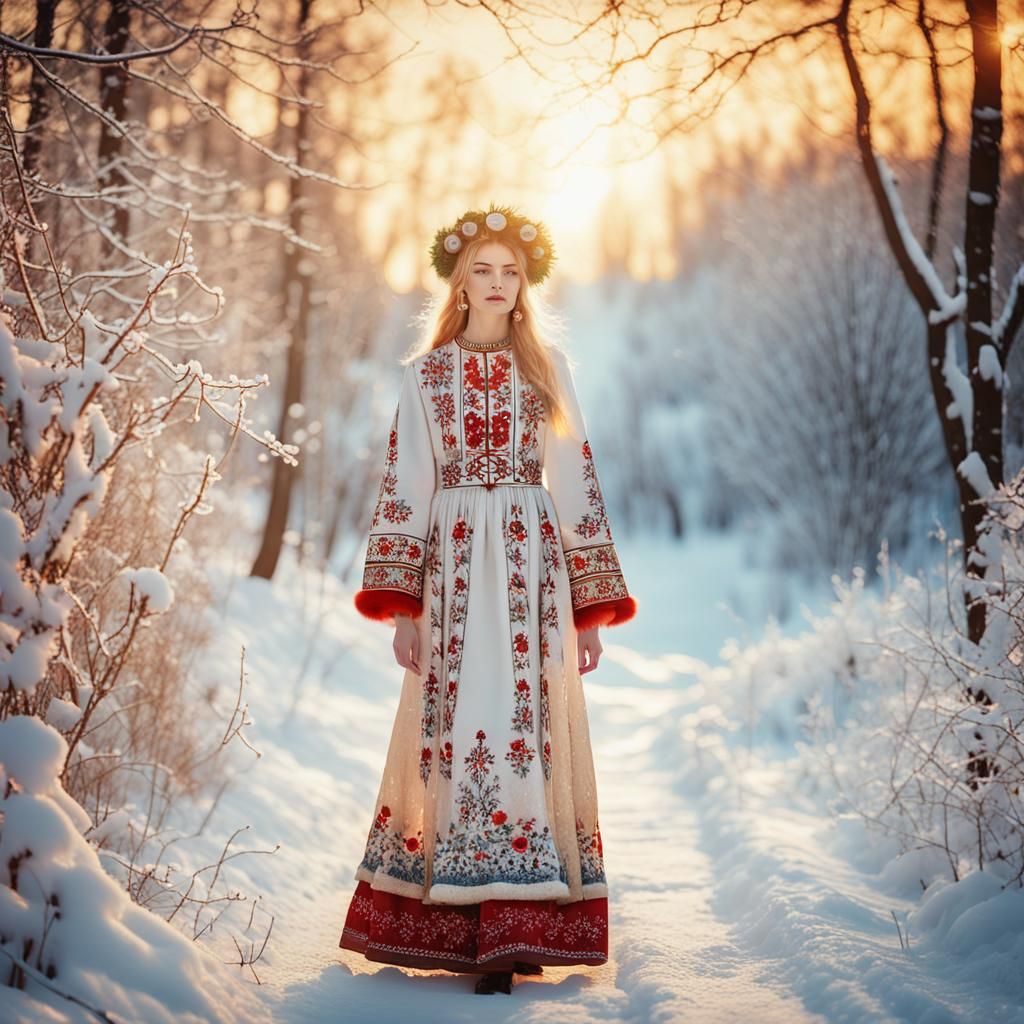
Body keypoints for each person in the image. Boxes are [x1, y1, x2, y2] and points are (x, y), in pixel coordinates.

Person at [338, 203, 637, 995]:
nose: (497, 284)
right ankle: (467, 923)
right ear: (459, 280)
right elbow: (404, 488)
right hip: (453, 576)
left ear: (525, 283)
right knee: (459, 729)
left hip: (533, 573)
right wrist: (402, 608)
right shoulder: (426, 376)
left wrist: (591, 610)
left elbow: (576, 483)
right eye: (482, 270)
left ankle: (521, 926)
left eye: (510, 271)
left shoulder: (549, 371)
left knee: (525, 729)